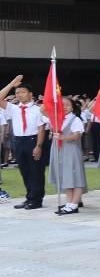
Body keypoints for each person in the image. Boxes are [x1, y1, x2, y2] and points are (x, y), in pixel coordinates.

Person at [1, 76, 47, 210]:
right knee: (25, 171)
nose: (19, 95)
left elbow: (41, 128)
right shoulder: (14, 108)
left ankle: (36, 200)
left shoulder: (38, 109)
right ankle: (29, 197)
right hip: (19, 141)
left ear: (30, 94)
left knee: (36, 171)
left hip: (33, 140)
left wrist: (38, 146)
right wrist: (11, 84)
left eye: (23, 92)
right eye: (17, 93)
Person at [50, 96, 87, 214]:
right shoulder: (58, 119)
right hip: (61, 151)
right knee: (66, 177)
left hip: (71, 151)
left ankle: (74, 204)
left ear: (72, 107)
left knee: (75, 177)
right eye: (62, 105)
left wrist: (63, 137)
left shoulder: (75, 119)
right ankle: (69, 203)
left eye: (67, 105)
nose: (64, 107)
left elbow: (77, 136)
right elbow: (43, 109)